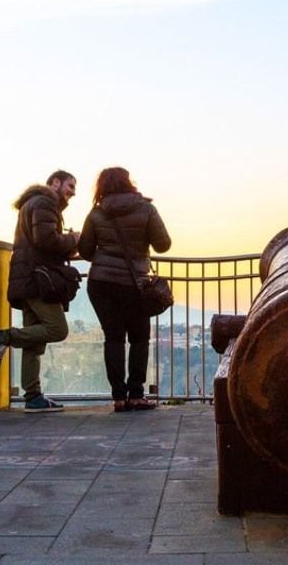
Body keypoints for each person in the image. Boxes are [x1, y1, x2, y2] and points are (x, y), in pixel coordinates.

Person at [78, 167, 171, 412]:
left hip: (101, 283)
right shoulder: (146, 209)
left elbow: (86, 251)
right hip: (134, 285)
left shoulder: (97, 213)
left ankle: (119, 397)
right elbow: (163, 244)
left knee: (114, 338)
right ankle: (137, 395)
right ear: (129, 182)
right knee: (140, 338)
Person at [0, 170, 80, 412]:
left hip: (27, 277)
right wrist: (73, 240)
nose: (72, 192)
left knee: (34, 343)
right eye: (70, 186)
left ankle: (33, 397)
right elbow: (46, 240)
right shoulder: (45, 202)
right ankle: (4, 337)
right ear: (55, 183)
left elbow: (41, 242)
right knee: (57, 329)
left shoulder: (33, 204)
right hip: (38, 278)